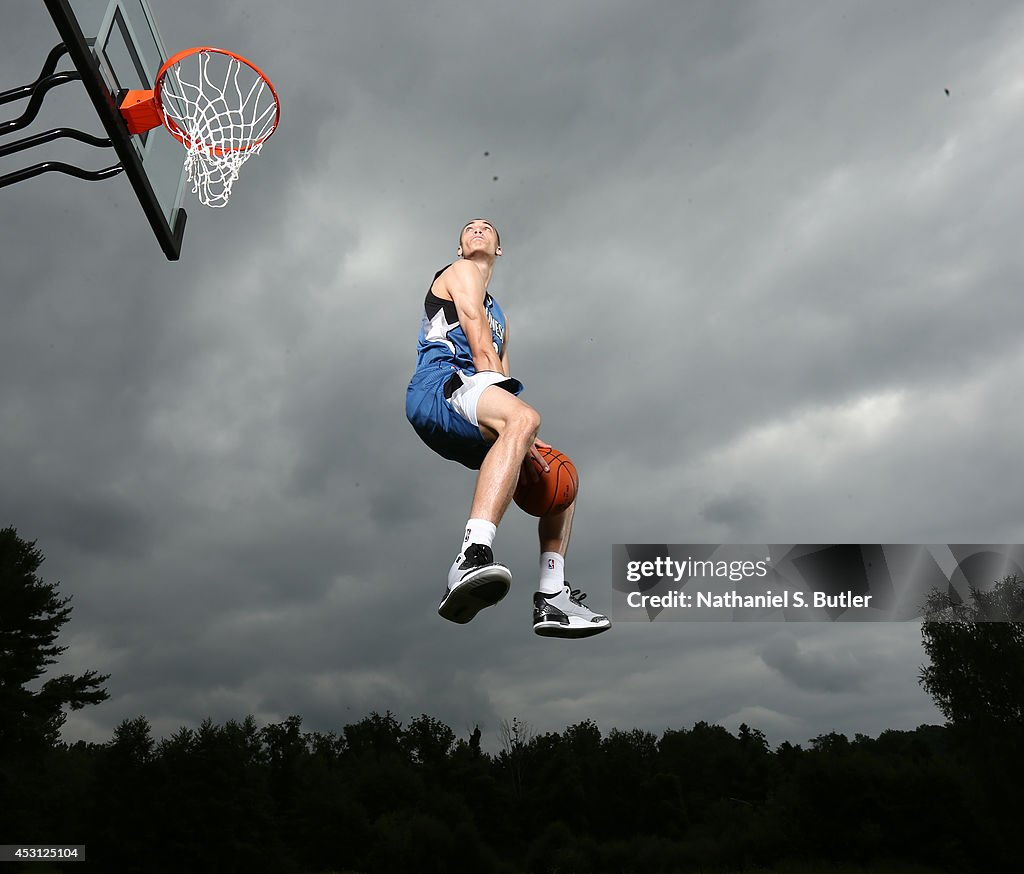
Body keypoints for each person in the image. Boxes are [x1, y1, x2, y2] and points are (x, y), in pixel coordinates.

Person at [406, 219, 611, 638]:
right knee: (525, 419)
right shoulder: (459, 273)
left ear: (500, 248)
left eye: (488, 228)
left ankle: (552, 596)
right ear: (460, 247)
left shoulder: (501, 314)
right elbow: (478, 340)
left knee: (559, 476)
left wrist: (522, 441)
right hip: (439, 385)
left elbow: (502, 370)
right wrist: (520, 423)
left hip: (472, 399)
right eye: (469, 228)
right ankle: (471, 555)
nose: (478, 230)